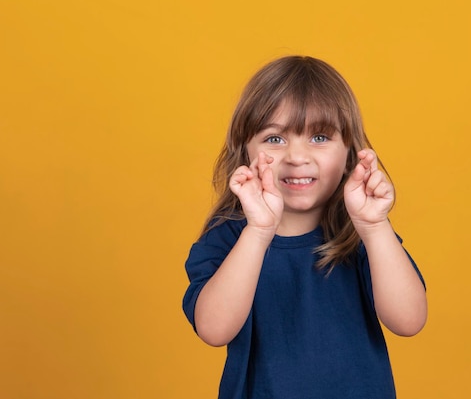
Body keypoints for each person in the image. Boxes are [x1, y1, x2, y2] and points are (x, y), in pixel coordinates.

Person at [182, 56, 427, 399]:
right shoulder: (230, 237)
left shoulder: (361, 235)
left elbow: (409, 320)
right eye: (275, 139)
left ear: (349, 154)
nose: (297, 156)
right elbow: (213, 329)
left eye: (320, 137)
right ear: (245, 151)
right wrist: (259, 231)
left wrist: (374, 227)